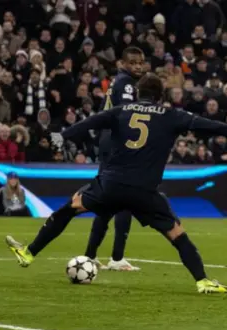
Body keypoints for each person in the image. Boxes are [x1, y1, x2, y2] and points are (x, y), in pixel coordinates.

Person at [5, 73, 227, 294]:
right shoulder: (171, 115)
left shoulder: (121, 111)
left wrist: (62, 136)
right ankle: (202, 281)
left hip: (109, 185)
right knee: (177, 235)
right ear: (160, 96)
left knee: (69, 208)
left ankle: (29, 253)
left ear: (137, 93)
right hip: (144, 192)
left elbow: (89, 123)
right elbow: (217, 127)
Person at [85, 46, 144, 272]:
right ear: (123, 63)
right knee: (125, 197)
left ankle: (90, 255)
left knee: (107, 200)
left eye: (141, 62)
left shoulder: (116, 83)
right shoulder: (127, 83)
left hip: (108, 142)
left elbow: (105, 113)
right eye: (133, 62)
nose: (138, 66)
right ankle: (117, 258)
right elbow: (126, 113)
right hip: (119, 145)